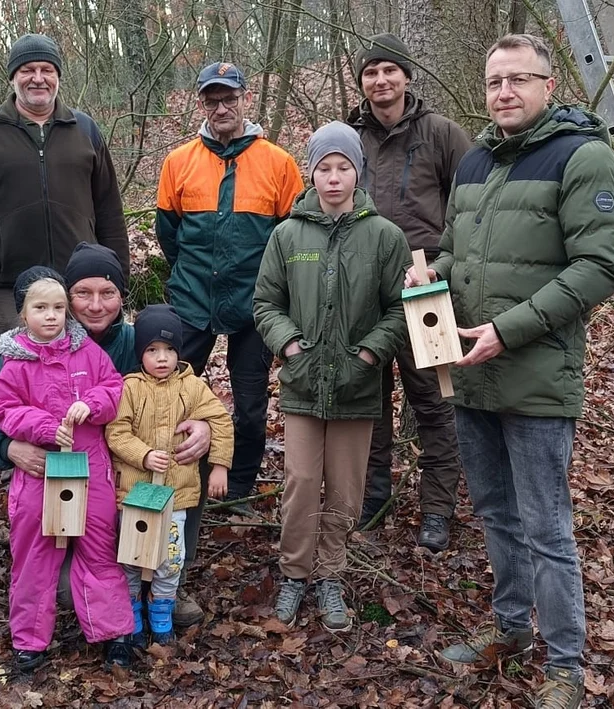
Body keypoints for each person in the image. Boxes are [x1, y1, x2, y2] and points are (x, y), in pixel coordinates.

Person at [407, 34, 614, 709]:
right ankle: (509, 628)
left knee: (546, 526)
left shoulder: (581, 157)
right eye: (495, 80)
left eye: (518, 80)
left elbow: (598, 267)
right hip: (471, 376)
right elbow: (465, 256)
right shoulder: (474, 162)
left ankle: (564, 663)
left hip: (535, 376)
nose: (504, 92)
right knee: (497, 515)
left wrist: (509, 327)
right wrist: (430, 272)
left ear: (547, 86)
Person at [0, 242, 213, 627]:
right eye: (83, 293)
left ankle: (169, 578)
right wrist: (6, 445)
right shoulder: (26, 348)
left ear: (121, 296)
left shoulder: (142, 341)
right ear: (66, 297)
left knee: (189, 455)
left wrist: (204, 425)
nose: (96, 305)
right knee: (68, 588)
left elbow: (189, 390)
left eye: (108, 293)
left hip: (132, 472)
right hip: (62, 476)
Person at [253, 122, 410, 631]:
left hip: (357, 385)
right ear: (311, 173)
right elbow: (266, 303)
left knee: (346, 486)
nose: (334, 178)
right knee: (300, 481)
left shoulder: (385, 236)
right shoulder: (287, 234)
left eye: (344, 168)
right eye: (325, 168)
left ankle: (331, 576)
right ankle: (295, 573)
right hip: (301, 384)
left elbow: (398, 309)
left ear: (357, 172)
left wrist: (367, 356)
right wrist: (290, 345)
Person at [156, 59, 304, 557]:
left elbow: (292, 236)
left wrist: (276, 291)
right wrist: (189, 275)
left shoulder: (279, 163)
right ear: (201, 103)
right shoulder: (179, 161)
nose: (222, 107)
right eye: (212, 99)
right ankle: (182, 473)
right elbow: (168, 234)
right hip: (193, 298)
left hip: (254, 304)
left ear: (246, 98)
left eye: (230, 98)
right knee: (174, 392)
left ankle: (239, 485)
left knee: (250, 401)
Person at [347, 34, 472, 550]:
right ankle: (372, 501)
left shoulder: (441, 133)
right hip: (366, 286)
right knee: (368, 402)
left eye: (389, 71)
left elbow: (471, 210)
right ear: (361, 82)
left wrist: (442, 266)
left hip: (427, 283)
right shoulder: (347, 136)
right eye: (371, 72)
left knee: (435, 402)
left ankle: (438, 510)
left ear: (406, 76)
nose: (381, 81)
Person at [0, 267, 136, 671]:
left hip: (90, 467)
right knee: (35, 553)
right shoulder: (14, 362)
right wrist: (45, 427)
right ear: (24, 314)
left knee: (99, 549)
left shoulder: (86, 350)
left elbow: (113, 388)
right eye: (40, 308)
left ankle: (114, 633)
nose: (51, 316)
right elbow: (1, 409)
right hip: (39, 472)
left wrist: (93, 404)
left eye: (57, 308)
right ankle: (30, 640)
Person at [0, 33, 131, 351]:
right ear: (13, 77)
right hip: (10, 285)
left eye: (47, 69)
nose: (38, 78)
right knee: (18, 375)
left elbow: (109, 210)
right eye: (27, 70)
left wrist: (118, 280)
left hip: (81, 286)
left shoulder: (84, 129)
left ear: (58, 76)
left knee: (85, 376)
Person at [106, 304, 235, 645]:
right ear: (140, 353)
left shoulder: (192, 387)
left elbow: (220, 421)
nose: (161, 358)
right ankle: (130, 612)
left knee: (170, 558)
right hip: (133, 495)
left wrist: (219, 466)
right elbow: (116, 432)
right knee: (131, 557)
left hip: (176, 496)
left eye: (169, 350)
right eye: (152, 350)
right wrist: (144, 455)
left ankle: (161, 610)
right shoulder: (129, 388)